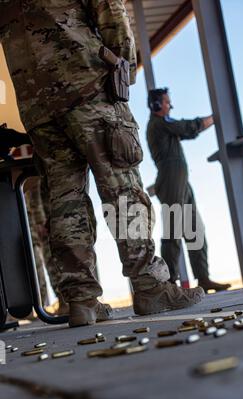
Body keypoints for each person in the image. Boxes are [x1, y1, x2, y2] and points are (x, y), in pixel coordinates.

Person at [0, 1, 205, 327]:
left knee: (65, 201)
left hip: (37, 104)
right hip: (87, 84)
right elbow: (110, 9)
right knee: (122, 186)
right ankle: (149, 287)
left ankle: (81, 301)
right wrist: (122, 65)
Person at [147, 88, 231, 293]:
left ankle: (203, 278)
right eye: (167, 102)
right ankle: (169, 283)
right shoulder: (160, 124)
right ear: (157, 105)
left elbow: (183, 131)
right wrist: (211, 119)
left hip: (181, 181)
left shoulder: (163, 126)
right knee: (174, 230)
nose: (170, 105)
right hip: (171, 179)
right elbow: (185, 127)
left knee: (195, 228)